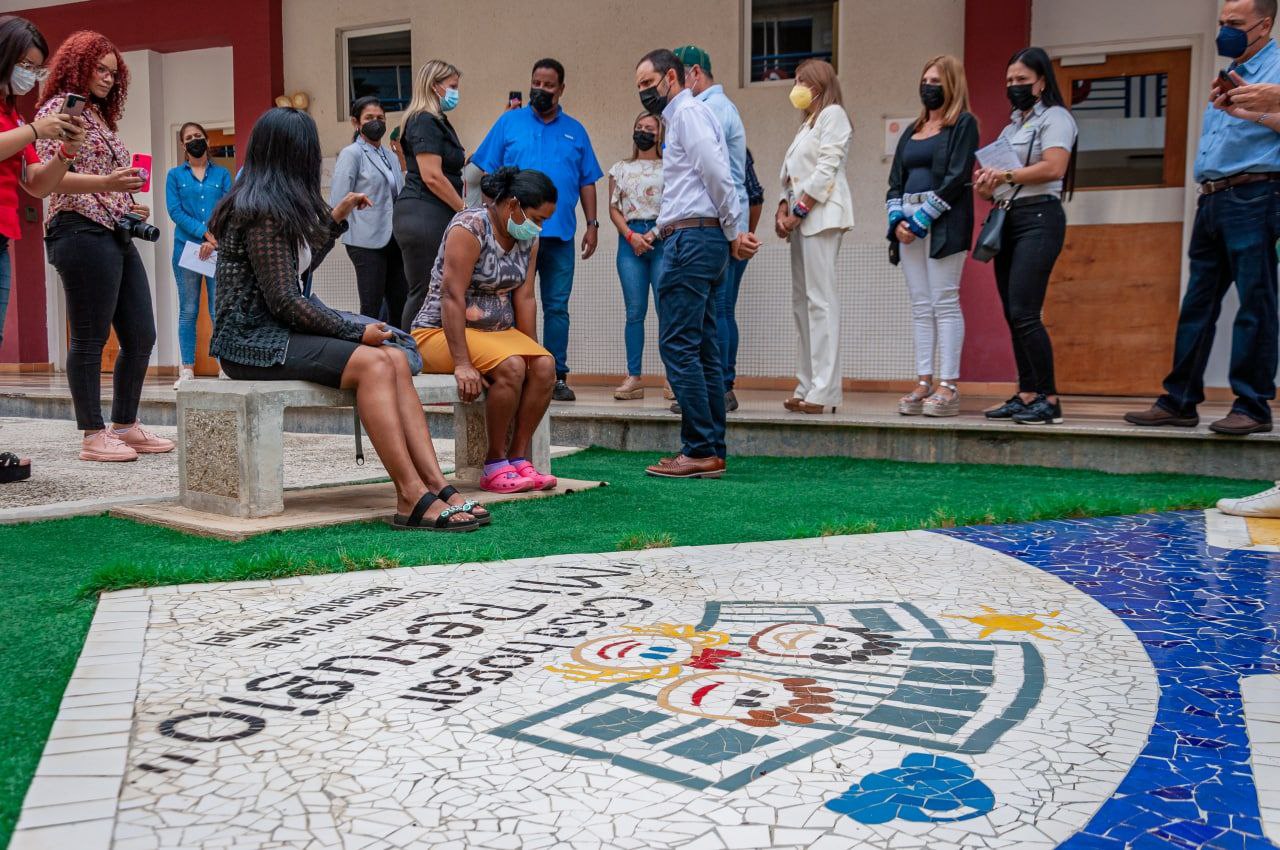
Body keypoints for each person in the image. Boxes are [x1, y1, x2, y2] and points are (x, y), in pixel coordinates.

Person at [209, 107, 482, 531]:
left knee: (391, 357)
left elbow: (294, 270)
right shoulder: (259, 211)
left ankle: (434, 482)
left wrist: (334, 222)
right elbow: (284, 300)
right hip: (252, 342)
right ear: (293, 155)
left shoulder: (278, 205)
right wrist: (356, 330)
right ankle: (410, 494)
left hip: (282, 331)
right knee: (375, 361)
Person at [1126, 0, 1280, 436]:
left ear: (1264, 25)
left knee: (1255, 302)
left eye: (1235, 24)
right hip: (1211, 197)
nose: (1224, 31)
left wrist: (1269, 104)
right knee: (1197, 304)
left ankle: (1252, 405)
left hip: (1258, 191)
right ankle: (1179, 400)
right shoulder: (1231, 72)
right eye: (1221, 23)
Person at [36, 31, 173, 463]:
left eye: (114, 73)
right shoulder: (58, 110)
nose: (109, 78)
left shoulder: (100, 118)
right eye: (100, 68)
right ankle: (93, 433)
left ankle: (126, 425)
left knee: (141, 333)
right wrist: (106, 184)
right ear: (77, 66)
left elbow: (104, 181)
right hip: (77, 229)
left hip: (114, 228)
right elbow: (45, 176)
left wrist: (125, 201)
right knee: (90, 337)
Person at [633, 49, 758, 478]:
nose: (645, 93)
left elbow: (719, 174)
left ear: (673, 76)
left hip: (692, 240)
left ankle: (700, 447)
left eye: (649, 83)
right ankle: (709, 448)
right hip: (700, 238)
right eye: (639, 88)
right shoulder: (686, 116)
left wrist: (732, 230)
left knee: (679, 347)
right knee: (703, 348)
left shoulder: (687, 114)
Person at [410, 167, 558, 495]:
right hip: (438, 334)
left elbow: (526, 297)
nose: (539, 226)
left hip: (495, 335)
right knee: (511, 365)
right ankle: (494, 464)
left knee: (544, 366)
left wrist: (531, 351)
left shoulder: (528, 238)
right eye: (536, 217)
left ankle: (519, 459)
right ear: (513, 204)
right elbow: (452, 295)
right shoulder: (470, 227)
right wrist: (463, 363)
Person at [472, 58, 604, 402]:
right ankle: (515, 367)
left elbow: (588, 181)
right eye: (536, 83)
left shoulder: (576, 130)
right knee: (514, 302)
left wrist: (592, 225)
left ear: (561, 89)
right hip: (515, 235)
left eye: (548, 85)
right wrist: (495, 219)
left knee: (557, 306)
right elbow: (486, 174)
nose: (541, 90)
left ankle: (556, 375)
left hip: (559, 235)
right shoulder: (509, 122)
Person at [0, 15, 91, 481]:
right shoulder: (20, 124)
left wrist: (66, 152)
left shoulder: (14, 114)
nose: (31, 77)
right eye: (25, 65)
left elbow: (36, 184)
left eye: (38, 70)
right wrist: (39, 131)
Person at [974, 47, 1078, 426]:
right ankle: (1027, 393)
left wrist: (1004, 176)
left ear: (1042, 82)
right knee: (1012, 312)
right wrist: (987, 184)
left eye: (1022, 80)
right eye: (1009, 81)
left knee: (1025, 311)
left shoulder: (1057, 118)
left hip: (1040, 217)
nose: (1014, 87)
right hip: (1009, 217)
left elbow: (1054, 166)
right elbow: (999, 181)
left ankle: (1049, 399)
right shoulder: (1011, 127)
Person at [886, 55, 979, 418]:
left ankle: (948, 384)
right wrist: (897, 219)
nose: (929, 87)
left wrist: (923, 219)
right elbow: (896, 178)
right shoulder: (912, 130)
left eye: (936, 82)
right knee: (920, 306)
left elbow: (958, 177)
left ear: (952, 85)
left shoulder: (964, 124)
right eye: (925, 80)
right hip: (907, 223)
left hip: (943, 224)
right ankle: (923, 380)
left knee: (944, 301)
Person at [672, 45, 751, 413]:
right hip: (723, 222)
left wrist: (734, 229)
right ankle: (716, 394)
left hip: (713, 226)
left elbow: (716, 174)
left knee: (709, 320)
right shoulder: (716, 108)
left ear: (693, 74)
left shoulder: (701, 110)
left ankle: (718, 389)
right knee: (715, 316)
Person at [776, 58, 855, 415]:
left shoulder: (833, 115)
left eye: (802, 80)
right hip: (801, 219)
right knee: (802, 305)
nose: (797, 87)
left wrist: (799, 210)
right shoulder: (806, 123)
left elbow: (827, 167)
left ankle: (825, 390)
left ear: (819, 84)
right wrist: (784, 207)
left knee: (821, 303)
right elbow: (791, 174)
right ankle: (806, 383)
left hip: (821, 217)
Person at [393, 60, 465, 329]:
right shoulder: (424, 120)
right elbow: (432, 176)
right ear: (435, 87)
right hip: (424, 212)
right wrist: (464, 209)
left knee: (434, 288)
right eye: (453, 87)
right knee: (423, 289)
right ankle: (409, 354)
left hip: (432, 213)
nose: (457, 93)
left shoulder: (437, 121)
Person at [165, 121, 232, 387]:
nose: (194, 140)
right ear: (183, 145)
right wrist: (205, 233)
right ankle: (187, 369)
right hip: (187, 252)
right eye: (189, 137)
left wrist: (214, 240)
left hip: (216, 250)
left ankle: (224, 366)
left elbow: (229, 207)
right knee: (189, 310)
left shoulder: (223, 175)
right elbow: (175, 211)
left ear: (206, 140)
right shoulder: (175, 175)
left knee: (219, 310)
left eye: (198, 136)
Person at [331, 96, 407, 327]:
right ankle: (370, 357)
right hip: (365, 240)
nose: (376, 122)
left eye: (380, 118)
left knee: (400, 302)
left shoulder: (391, 156)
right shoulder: (351, 154)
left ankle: (399, 351)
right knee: (371, 305)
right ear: (356, 122)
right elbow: (338, 200)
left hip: (395, 238)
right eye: (369, 118)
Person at [607, 112, 664, 400]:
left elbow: (677, 204)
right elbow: (613, 208)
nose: (643, 132)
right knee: (634, 312)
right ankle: (634, 377)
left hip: (663, 240)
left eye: (649, 128)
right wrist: (631, 236)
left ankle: (673, 378)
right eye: (639, 127)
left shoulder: (672, 166)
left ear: (660, 134)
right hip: (629, 242)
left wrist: (652, 234)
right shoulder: (620, 168)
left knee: (668, 310)